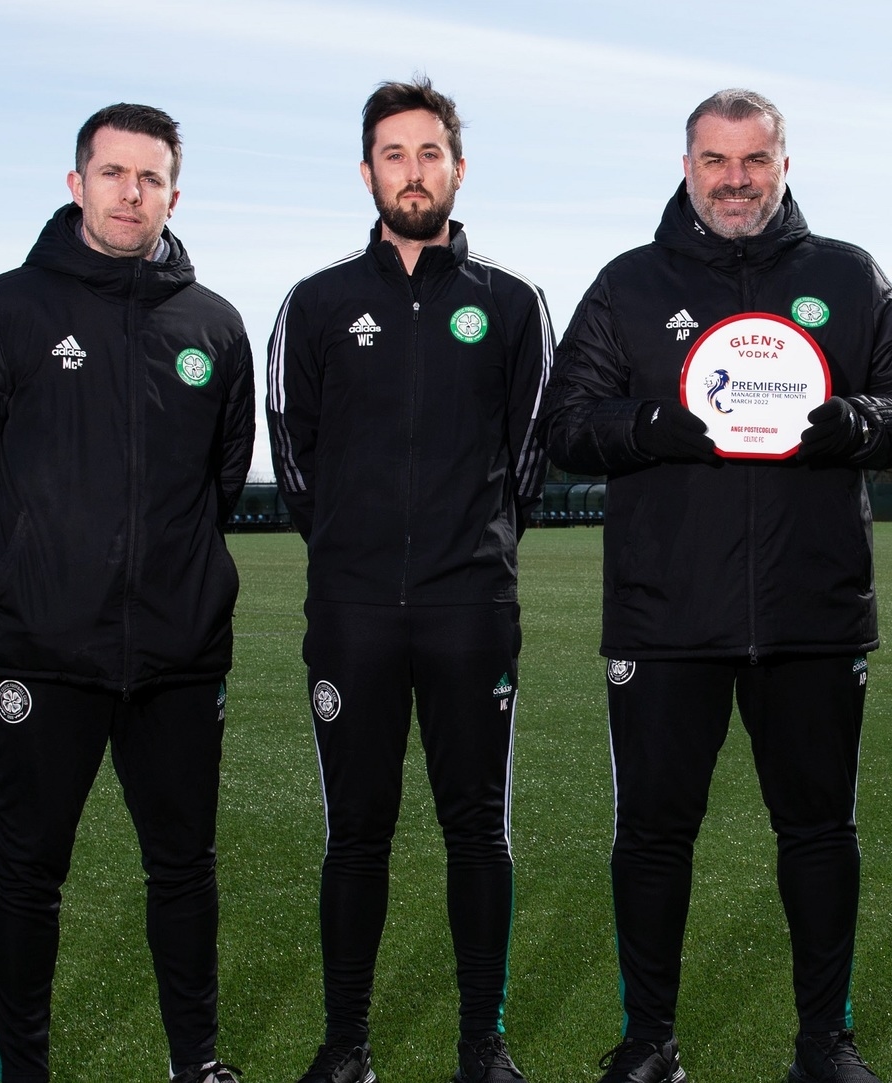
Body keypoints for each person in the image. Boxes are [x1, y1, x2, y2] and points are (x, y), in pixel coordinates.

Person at [543, 87, 892, 1083]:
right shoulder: (630, 284)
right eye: (714, 160)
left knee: (817, 832)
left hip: (811, 609)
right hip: (665, 613)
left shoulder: (845, 277)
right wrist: (645, 429)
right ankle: (650, 1042)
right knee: (653, 836)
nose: (734, 178)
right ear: (687, 168)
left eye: (753, 159)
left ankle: (825, 1042)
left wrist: (859, 421)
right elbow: (565, 424)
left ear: (783, 164)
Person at [0, 103, 253, 1083]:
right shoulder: (4, 311)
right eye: (112, 174)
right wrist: (35, 573)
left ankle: (195, 1063)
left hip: (179, 659)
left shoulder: (213, 325)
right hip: (42, 656)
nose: (130, 193)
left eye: (149, 178)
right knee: (28, 877)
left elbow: (221, 479)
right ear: (77, 185)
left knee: (184, 872)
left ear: (173, 195)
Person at [267, 77, 552, 1083]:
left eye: (430, 153)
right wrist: (350, 549)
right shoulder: (317, 303)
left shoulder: (511, 304)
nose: (414, 171)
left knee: (479, 830)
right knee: (357, 836)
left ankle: (486, 1045)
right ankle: (346, 1048)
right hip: (351, 615)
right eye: (395, 154)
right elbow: (293, 456)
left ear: (457, 169)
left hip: (471, 608)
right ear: (368, 172)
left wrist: (469, 550)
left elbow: (527, 456)